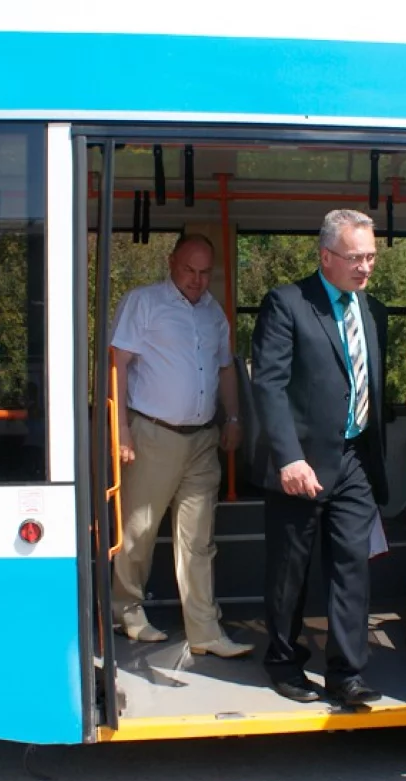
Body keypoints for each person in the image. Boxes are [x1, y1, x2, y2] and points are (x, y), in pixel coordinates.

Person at [251, 209, 390, 705]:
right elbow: (268, 385)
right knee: (291, 570)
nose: (365, 267)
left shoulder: (374, 311)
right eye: (355, 257)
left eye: (371, 256)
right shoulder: (287, 303)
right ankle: (284, 663)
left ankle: (346, 673)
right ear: (326, 256)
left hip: (355, 460)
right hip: (301, 465)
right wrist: (288, 458)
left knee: (352, 567)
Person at [108, 233, 253, 659]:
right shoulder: (144, 302)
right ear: (171, 263)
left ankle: (204, 630)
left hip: (203, 438)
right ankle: (125, 611)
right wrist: (120, 430)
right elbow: (117, 364)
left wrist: (233, 418)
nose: (197, 279)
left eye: (205, 272)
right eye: (189, 269)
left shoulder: (214, 313)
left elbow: (226, 369)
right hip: (153, 433)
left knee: (199, 539)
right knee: (138, 530)